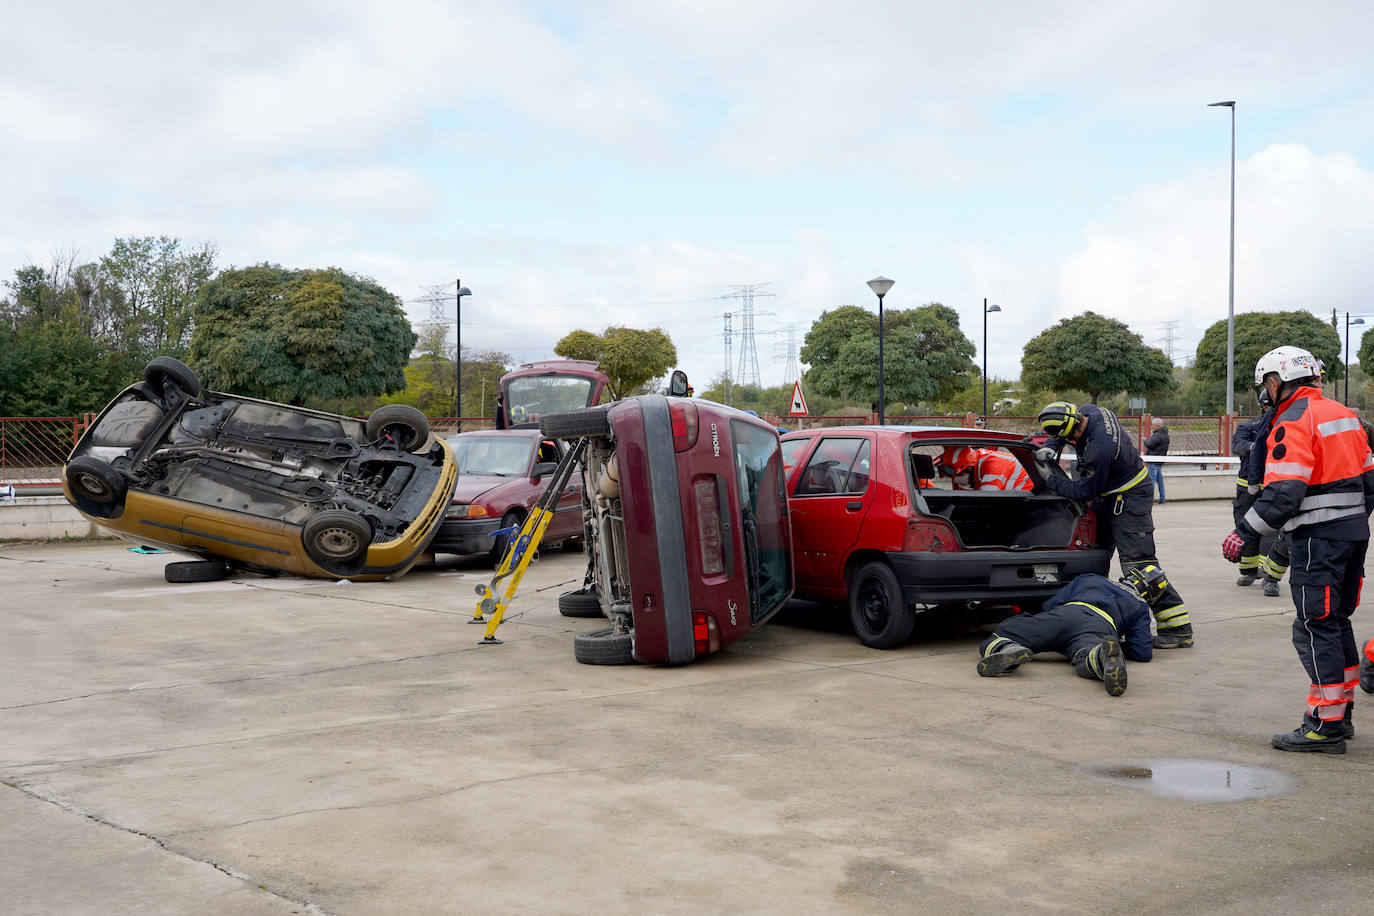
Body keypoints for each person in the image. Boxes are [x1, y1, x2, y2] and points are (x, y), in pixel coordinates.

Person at [1221, 346, 1374, 754]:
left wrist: (1244, 531)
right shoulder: (1346, 415)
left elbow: (1284, 493)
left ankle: (1324, 726)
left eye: (1265, 386)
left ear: (1276, 381)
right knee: (1336, 623)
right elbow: (1370, 481)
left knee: (1313, 626)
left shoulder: (1292, 421)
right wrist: (1353, 520)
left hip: (1317, 543)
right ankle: (1341, 716)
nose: (1264, 395)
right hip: (1354, 536)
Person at [1035, 401, 1193, 648]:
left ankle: (1177, 628)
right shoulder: (1090, 410)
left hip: (1130, 497)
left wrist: (1051, 481)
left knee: (1139, 565)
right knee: (1094, 555)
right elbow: (1065, 435)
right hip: (1108, 495)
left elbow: (1084, 490)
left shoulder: (1100, 448)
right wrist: (1051, 445)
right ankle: (1097, 615)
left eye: (1062, 437)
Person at [976, 566, 1168, 696]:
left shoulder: (1092, 578)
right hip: (1098, 629)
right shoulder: (1140, 606)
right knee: (1087, 655)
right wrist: (1118, 645)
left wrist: (1047, 626)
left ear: (1131, 575)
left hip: (1066, 614)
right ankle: (1100, 656)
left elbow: (1051, 604)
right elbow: (1142, 652)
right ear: (1150, 595)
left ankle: (1007, 648)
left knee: (1008, 630)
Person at [1230, 395, 1290, 597]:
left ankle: (1269, 577)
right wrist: (1255, 447)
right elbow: (1237, 446)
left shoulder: (1285, 426)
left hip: (1273, 487)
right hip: (1247, 488)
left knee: (1271, 532)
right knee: (1246, 528)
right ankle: (1248, 571)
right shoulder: (1248, 427)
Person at [938, 445, 1033, 491]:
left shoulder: (993, 466)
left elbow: (985, 500)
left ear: (969, 468)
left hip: (1026, 496)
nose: (954, 479)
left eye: (958, 475)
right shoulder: (973, 463)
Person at [1144, 417, 1170, 503]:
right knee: (1160, 481)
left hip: (1153, 461)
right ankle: (1162, 498)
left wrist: (1145, 440)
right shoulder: (1166, 435)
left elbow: (1150, 444)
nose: (1152, 427)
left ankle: (1149, 500)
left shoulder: (1157, 435)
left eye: (1153, 425)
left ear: (1157, 425)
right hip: (1160, 461)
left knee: (1151, 482)